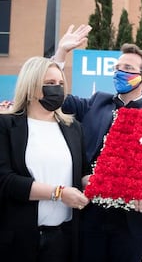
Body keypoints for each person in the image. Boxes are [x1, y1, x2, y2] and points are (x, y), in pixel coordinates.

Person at [52, 27, 142, 262]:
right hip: (90, 213)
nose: (120, 72)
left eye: (128, 69)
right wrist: (60, 54)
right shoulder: (97, 102)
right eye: (117, 68)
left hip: (133, 222)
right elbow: (57, 100)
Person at [0, 57, 90, 262]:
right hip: (18, 240)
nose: (56, 89)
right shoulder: (6, 126)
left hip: (63, 240)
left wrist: (91, 183)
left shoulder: (73, 127)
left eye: (60, 84)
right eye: (49, 84)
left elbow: (82, 171)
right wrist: (58, 193)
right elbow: (5, 180)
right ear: (30, 86)